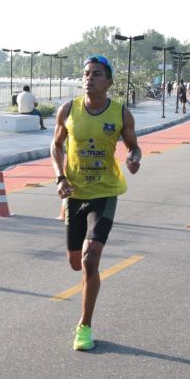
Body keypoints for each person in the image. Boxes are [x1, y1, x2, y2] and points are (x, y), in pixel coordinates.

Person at [50, 55, 141, 351]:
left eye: (96, 74)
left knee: (90, 259)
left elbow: (133, 145)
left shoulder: (120, 113)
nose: (89, 78)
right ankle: (85, 315)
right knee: (75, 263)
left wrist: (133, 157)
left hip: (105, 193)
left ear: (109, 82)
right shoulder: (69, 110)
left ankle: (84, 326)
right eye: (86, 73)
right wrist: (60, 177)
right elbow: (56, 144)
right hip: (75, 195)